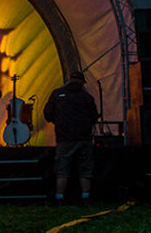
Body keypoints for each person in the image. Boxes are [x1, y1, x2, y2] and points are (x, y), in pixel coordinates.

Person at [44, 71, 99, 205]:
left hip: (64, 138)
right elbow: (94, 116)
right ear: (82, 82)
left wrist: (59, 122)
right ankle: (85, 197)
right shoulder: (86, 97)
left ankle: (59, 198)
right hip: (84, 137)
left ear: (69, 80)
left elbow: (48, 114)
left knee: (62, 169)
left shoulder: (58, 94)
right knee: (85, 169)